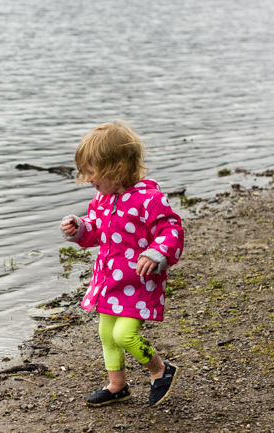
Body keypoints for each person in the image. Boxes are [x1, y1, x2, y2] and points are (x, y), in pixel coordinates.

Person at [59, 121, 184, 408]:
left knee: (124, 334)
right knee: (106, 333)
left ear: (116, 168)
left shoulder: (149, 199)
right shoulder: (103, 199)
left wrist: (156, 253)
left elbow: (171, 230)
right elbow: (97, 231)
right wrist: (79, 228)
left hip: (138, 283)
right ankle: (117, 385)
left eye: (93, 173)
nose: (89, 179)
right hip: (109, 282)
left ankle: (160, 370)